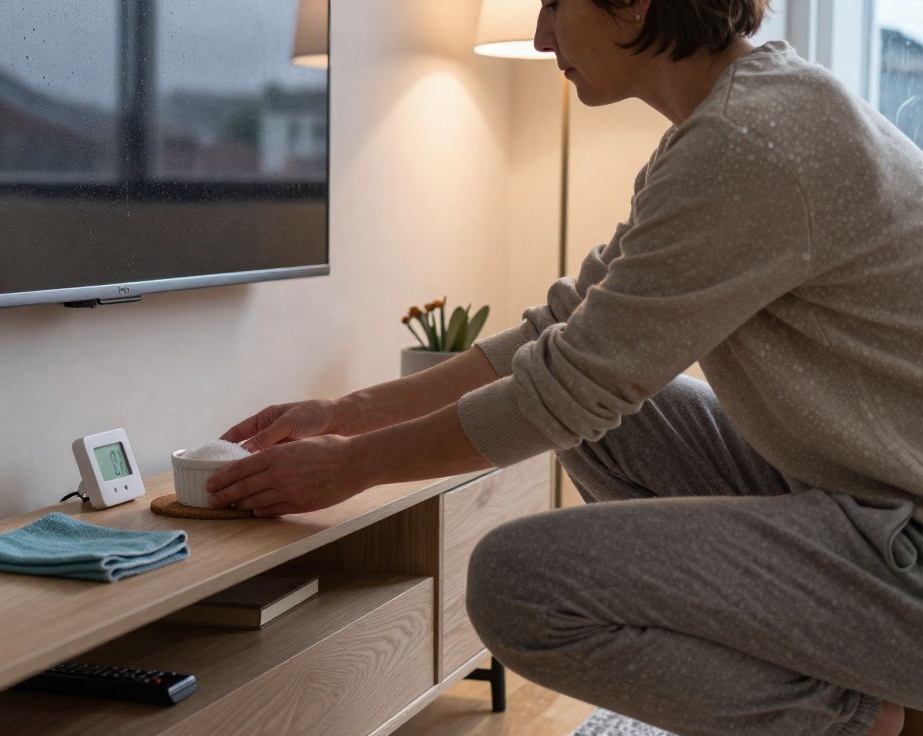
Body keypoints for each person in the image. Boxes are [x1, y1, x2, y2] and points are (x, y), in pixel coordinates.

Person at [206, 0, 923, 733]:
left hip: (908, 546)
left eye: (553, 3)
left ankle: (856, 720)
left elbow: (566, 389)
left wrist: (351, 466)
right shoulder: (736, 118)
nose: (544, 34)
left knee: (518, 583)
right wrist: (345, 414)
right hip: (867, 502)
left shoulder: (750, 142)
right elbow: (563, 331)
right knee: (623, 423)